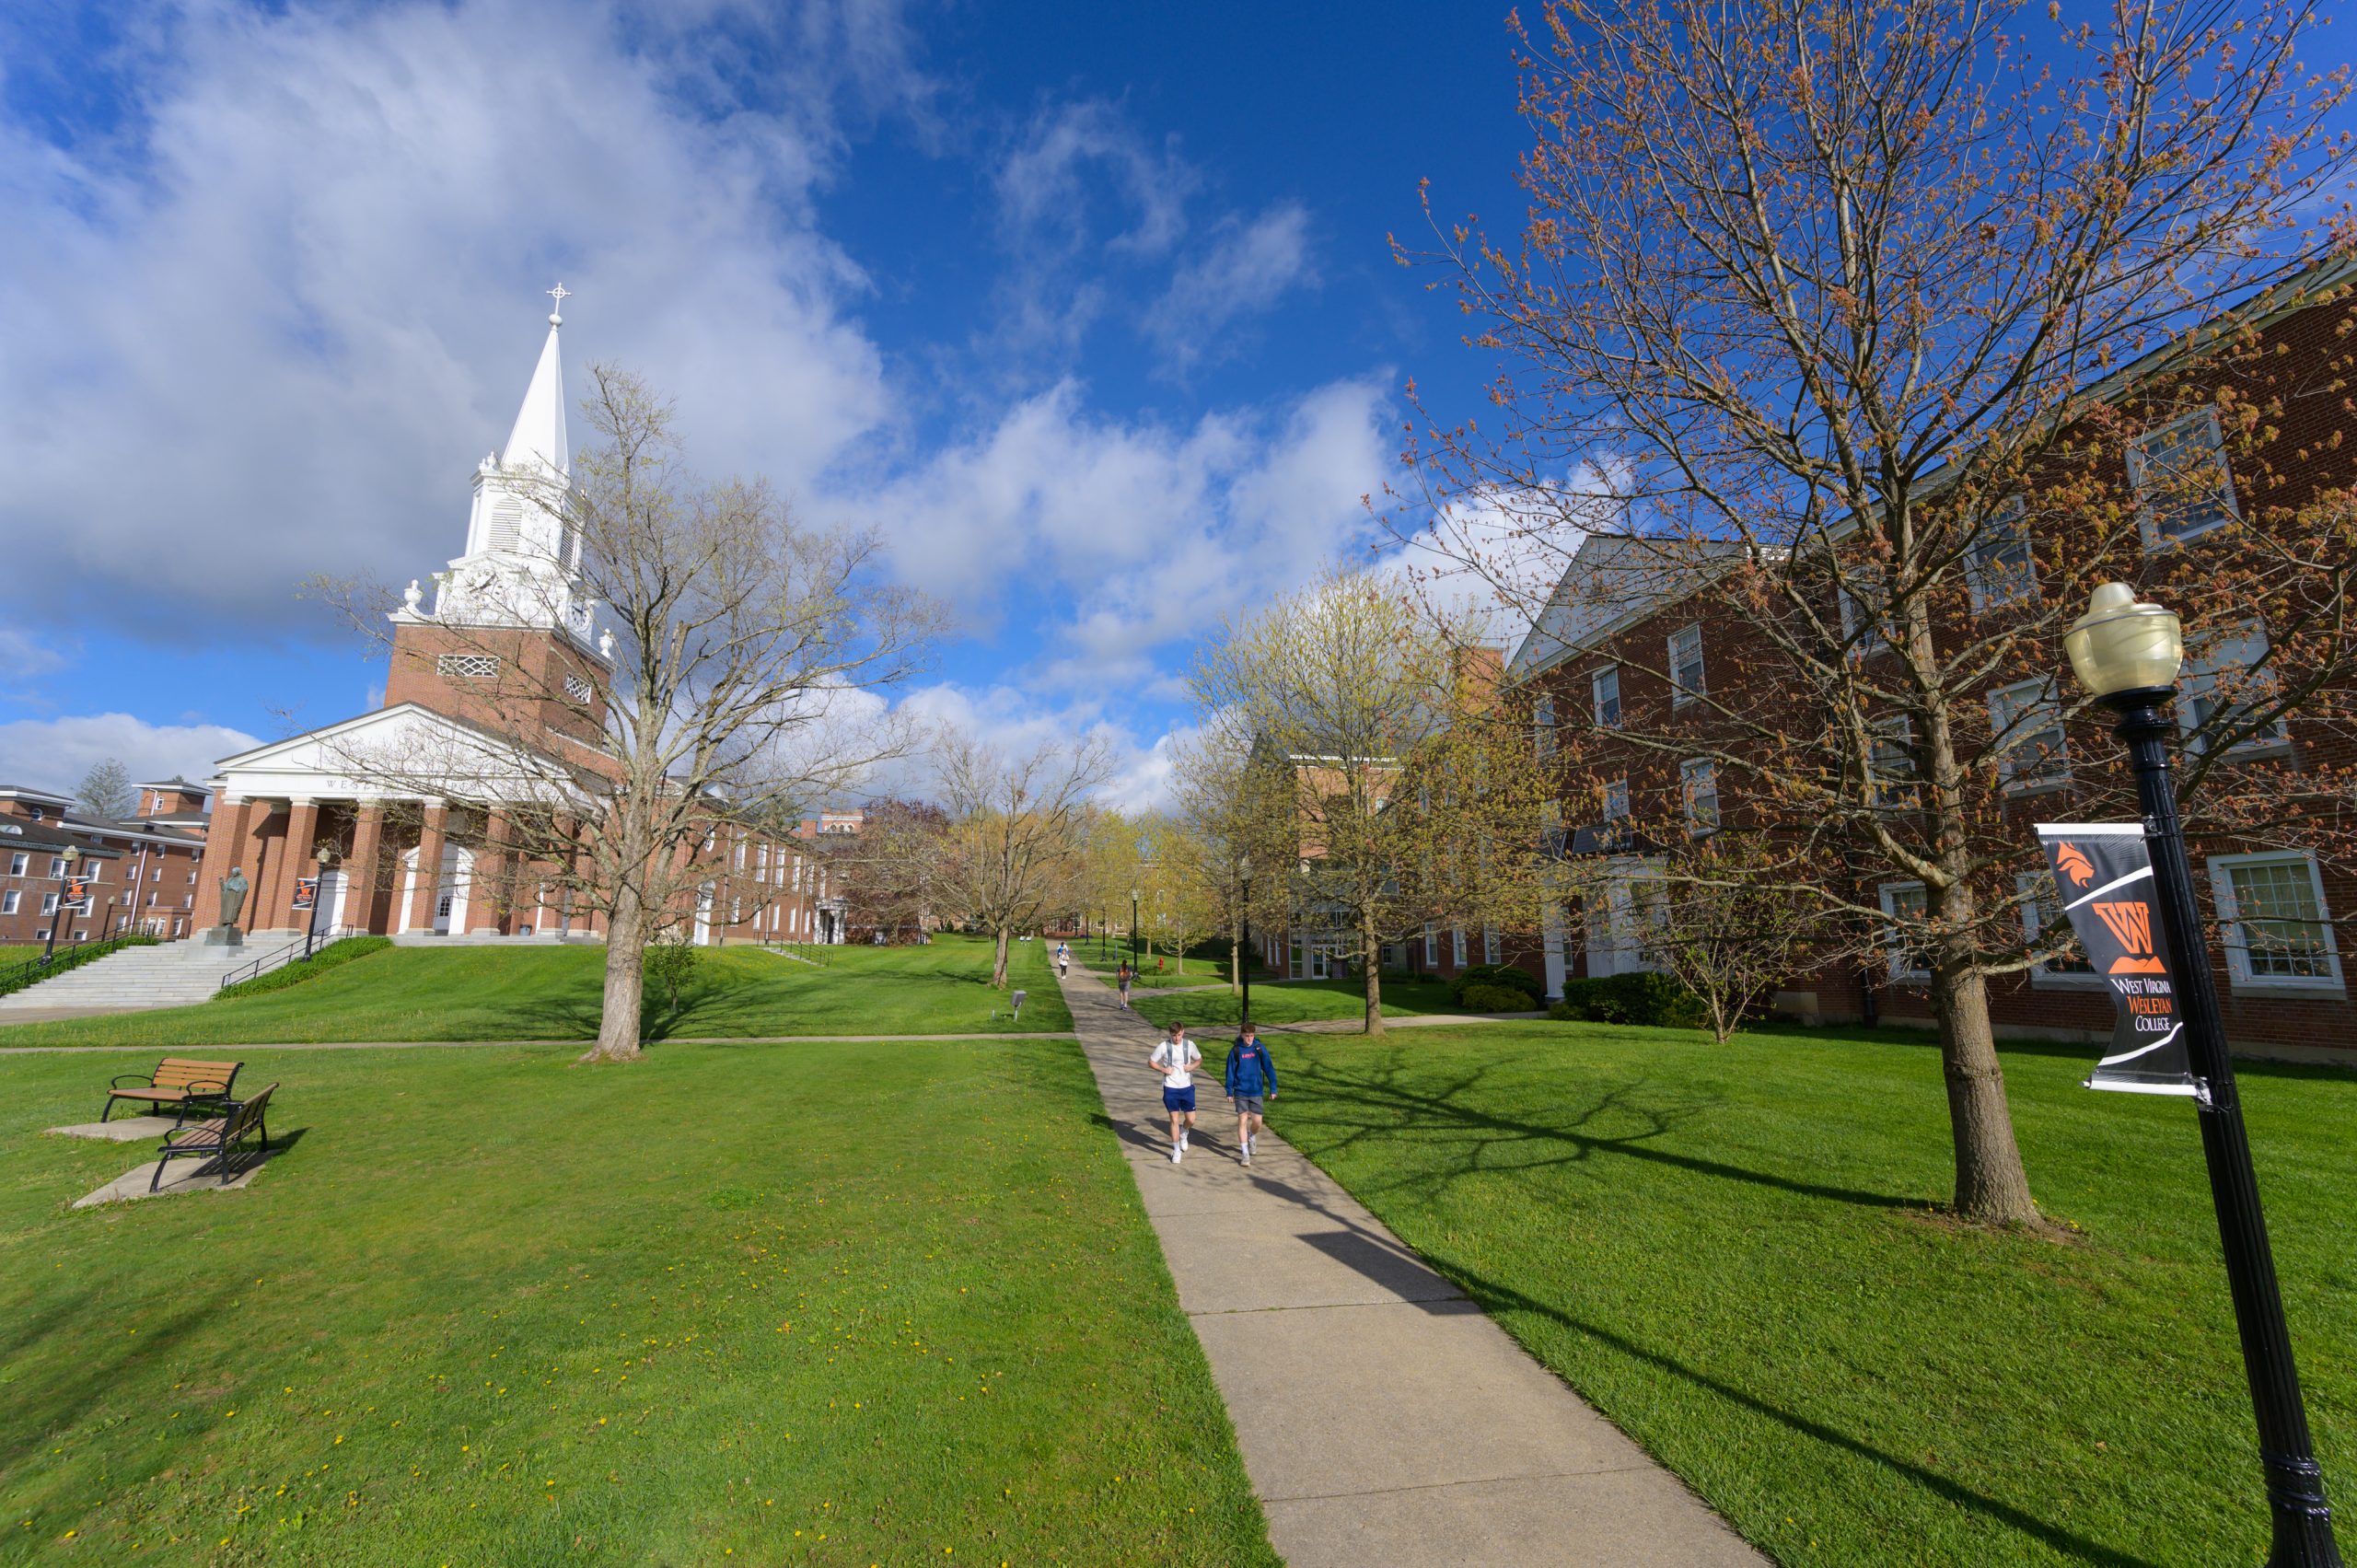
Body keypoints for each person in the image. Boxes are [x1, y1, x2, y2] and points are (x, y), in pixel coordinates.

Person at [1147, 1018, 1202, 1164]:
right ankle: (1176, 1150)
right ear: (1170, 1034)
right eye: (1174, 1035)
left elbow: (1199, 1059)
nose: (1176, 1038)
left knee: (1191, 1119)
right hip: (1170, 1087)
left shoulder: (1189, 1045)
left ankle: (1184, 1132)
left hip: (1187, 1087)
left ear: (1183, 1032)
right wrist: (1163, 1069)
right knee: (1174, 1119)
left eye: (1179, 1035)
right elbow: (1151, 1061)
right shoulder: (1164, 1047)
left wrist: (1192, 1067)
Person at [1224, 1021, 1277, 1166]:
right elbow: (1230, 1072)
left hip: (1256, 1091)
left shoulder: (1259, 1048)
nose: (1249, 1039)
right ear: (1241, 1035)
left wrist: (1273, 1087)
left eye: (1252, 1036)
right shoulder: (1235, 1050)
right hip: (1240, 1091)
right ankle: (1245, 1153)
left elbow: (1269, 1068)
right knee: (1242, 1121)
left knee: (1257, 1122)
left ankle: (1252, 1136)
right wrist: (1229, 1090)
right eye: (1247, 1036)